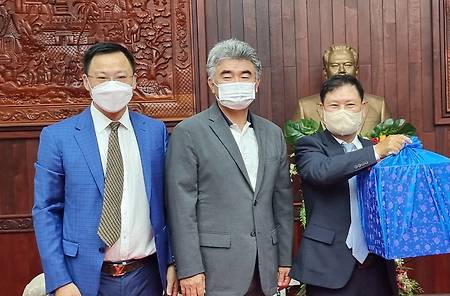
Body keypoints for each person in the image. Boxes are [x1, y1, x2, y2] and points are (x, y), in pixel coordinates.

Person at [32, 42, 178, 296]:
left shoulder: (155, 132)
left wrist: (174, 261)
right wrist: (60, 281)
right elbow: (46, 211)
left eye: (121, 77)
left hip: (148, 275)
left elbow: (172, 203)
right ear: (87, 83)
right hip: (83, 277)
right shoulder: (58, 137)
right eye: (102, 78)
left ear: (134, 82)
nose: (112, 85)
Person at [165, 39, 293, 296]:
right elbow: (181, 208)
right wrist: (189, 269)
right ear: (212, 84)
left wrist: (284, 259)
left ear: (257, 83)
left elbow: (281, 203)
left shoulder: (272, 133)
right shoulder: (189, 133)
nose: (237, 82)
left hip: (264, 267)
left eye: (245, 75)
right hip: (214, 270)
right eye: (227, 75)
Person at [290, 74, 409, 296]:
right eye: (334, 105)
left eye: (350, 104)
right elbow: (322, 172)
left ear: (363, 109)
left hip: (377, 266)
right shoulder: (310, 146)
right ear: (321, 110)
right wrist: (376, 152)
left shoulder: (377, 149)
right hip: (329, 268)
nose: (342, 111)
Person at [291, 44, 390, 133]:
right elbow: (295, 151)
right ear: (325, 71)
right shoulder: (304, 107)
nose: (341, 70)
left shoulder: (378, 105)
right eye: (334, 66)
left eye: (348, 65)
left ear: (356, 70)